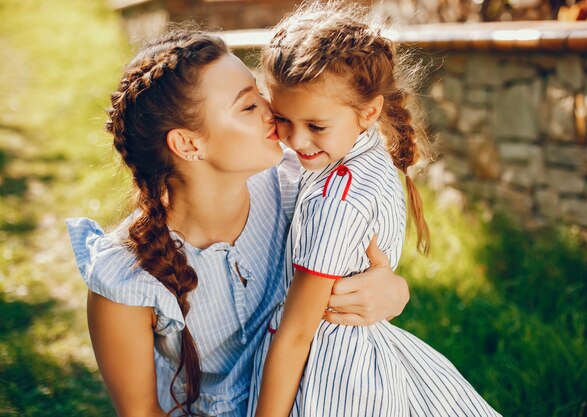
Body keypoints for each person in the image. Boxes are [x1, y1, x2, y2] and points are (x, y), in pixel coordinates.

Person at [65, 29, 411, 417]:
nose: (271, 110)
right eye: (248, 106)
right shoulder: (125, 278)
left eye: (258, 93)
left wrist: (394, 291)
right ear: (189, 144)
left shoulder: (300, 189)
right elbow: (141, 412)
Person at [248, 2, 502, 417]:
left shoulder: (338, 200)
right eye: (281, 118)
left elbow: (297, 333)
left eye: (315, 126)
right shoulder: (364, 155)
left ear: (369, 112)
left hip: (326, 377)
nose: (294, 140)